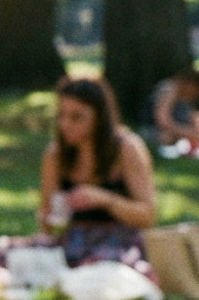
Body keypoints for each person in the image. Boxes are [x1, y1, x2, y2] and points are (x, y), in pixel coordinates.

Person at [40, 77, 156, 267]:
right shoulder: (55, 155)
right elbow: (48, 225)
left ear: (100, 117)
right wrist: (50, 217)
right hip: (73, 243)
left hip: (120, 245)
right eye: (61, 115)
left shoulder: (126, 148)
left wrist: (105, 199)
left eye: (76, 117)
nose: (65, 124)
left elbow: (148, 217)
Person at [150, 67, 199, 152]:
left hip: (180, 130)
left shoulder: (185, 97)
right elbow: (163, 121)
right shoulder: (169, 90)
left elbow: (194, 117)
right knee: (167, 137)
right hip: (155, 130)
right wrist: (188, 133)